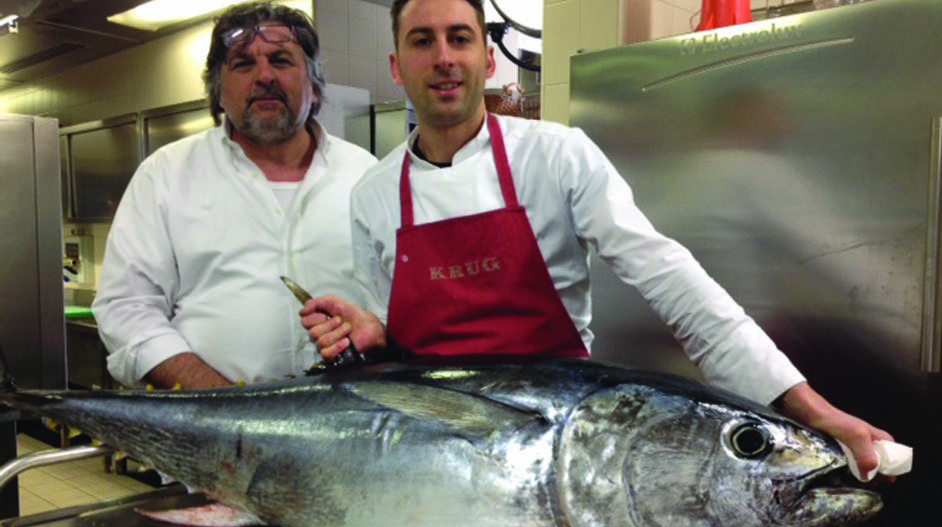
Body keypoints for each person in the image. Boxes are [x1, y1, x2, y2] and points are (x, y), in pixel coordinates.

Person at [301, 0, 894, 480]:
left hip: (558, 444)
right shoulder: (372, 195)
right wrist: (374, 333)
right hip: (433, 450)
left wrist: (806, 407)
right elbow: (391, 343)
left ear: (488, 56)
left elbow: (673, 283)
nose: (443, 58)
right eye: (422, 41)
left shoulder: (557, 156)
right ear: (396, 65)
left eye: (460, 38)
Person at [93, 1, 377, 390]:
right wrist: (219, 399)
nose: (265, 76)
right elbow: (127, 309)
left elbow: (399, 301)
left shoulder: (365, 175)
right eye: (243, 64)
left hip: (348, 415)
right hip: (207, 422)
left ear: (313, 87)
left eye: (281, 60)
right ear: (218, 91)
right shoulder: (165, 175)